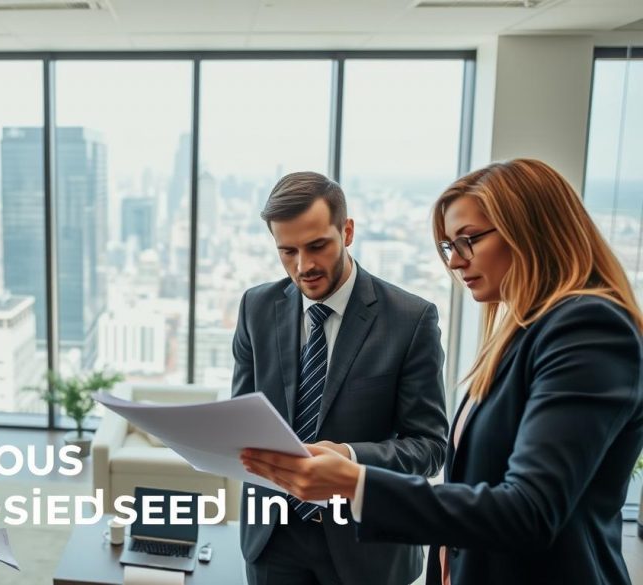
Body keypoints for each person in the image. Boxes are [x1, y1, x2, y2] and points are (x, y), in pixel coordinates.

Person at [242, 158, 643, 585]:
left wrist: (355, 480)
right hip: (281, 538)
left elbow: (528, 509)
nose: (454, 262)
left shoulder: (588, 329)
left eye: (468, 241)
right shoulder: (522, 333)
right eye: (451, 246)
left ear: (530, 230)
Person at [233, 172, 449, 585]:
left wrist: (348, 459)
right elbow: (244, 417)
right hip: (272, 539)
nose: (304, 266)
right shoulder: (255, 307)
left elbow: (429, 447)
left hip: (368, 547)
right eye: (287, 251)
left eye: (317, 246)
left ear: (347, 231)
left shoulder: (411, 319)